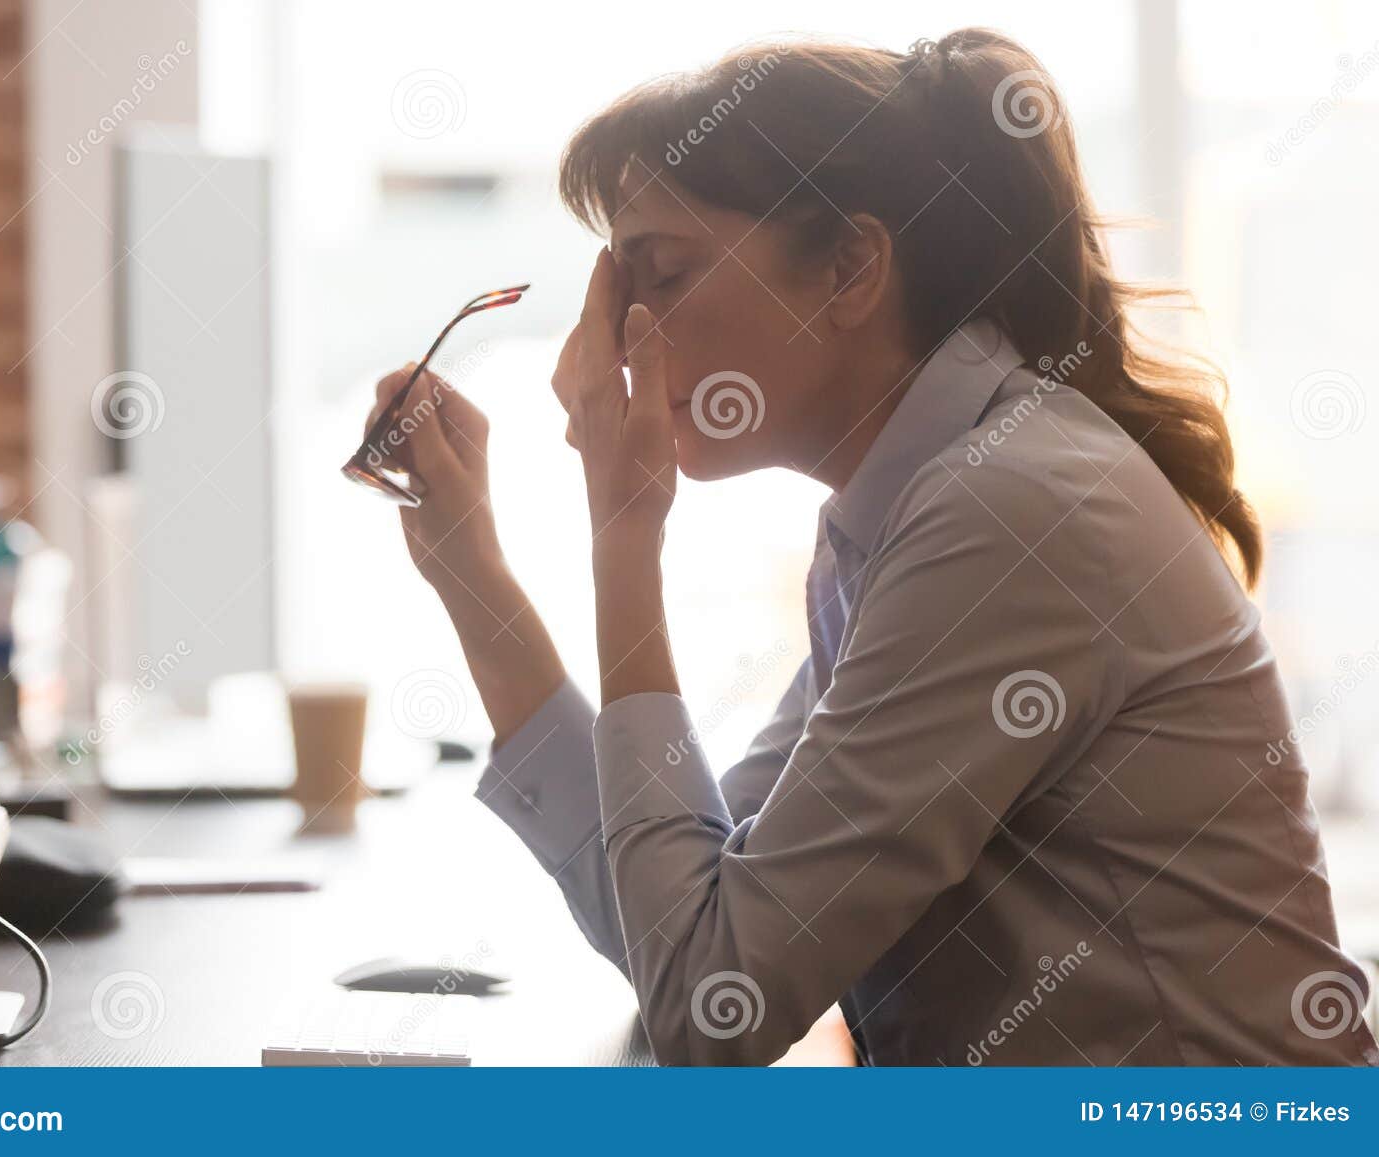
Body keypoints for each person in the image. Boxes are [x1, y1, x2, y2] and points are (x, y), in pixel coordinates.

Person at [363, 29, 1379, 1066]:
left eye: (657, 275)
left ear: (849, 266)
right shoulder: (914, 508)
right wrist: (470, 572)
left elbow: (714, 1004)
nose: (616, 335)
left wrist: (625, 542)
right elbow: (676, 919)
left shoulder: (1011, 512)